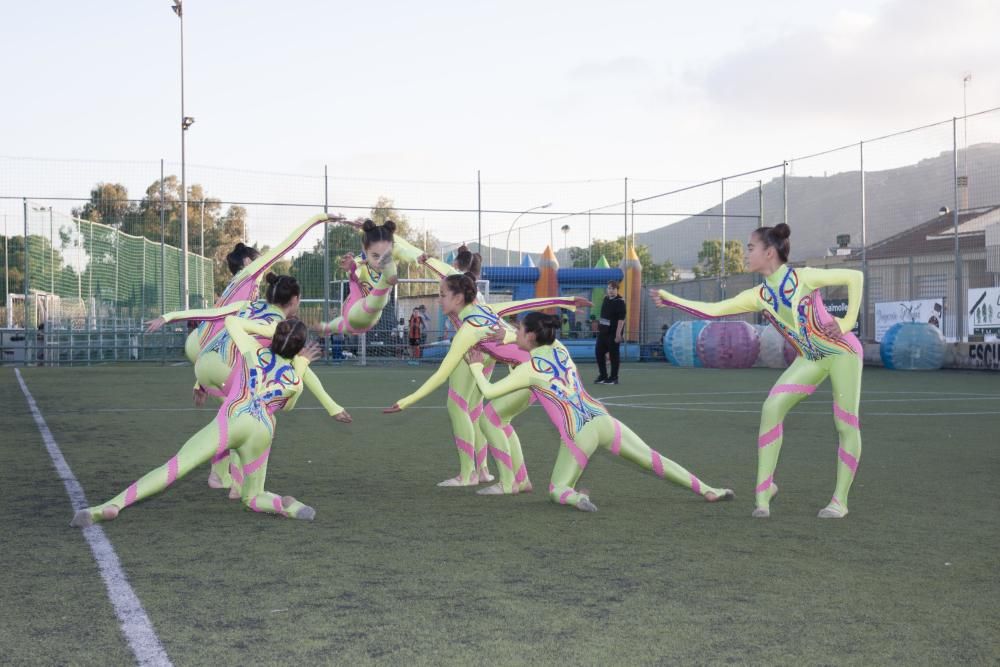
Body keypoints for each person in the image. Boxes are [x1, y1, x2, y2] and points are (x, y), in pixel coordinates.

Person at [650, 223, 863, 519]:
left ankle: (839, 500)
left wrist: (847, 321)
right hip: (811, 358)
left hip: (842, 352)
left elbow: (855, 276)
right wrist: (672, 299)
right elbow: (713, 311)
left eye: (750, 248)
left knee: (845, 424)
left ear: (769, 252)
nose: (747, 253)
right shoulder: (759, 294)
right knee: (772, 407)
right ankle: (764, 493)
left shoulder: (804, 277)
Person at [71, 316, 352, 528]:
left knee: (175, 466)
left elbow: (231, 321)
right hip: (262, 431)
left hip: (234, 418)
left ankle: (112, 505)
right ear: (300, 348)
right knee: (252, 498)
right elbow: (286, 407)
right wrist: (300, 365)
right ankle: (287, 506)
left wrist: (272, 330)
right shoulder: (295, 379)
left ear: (274, 337)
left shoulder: (252, 350)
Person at [461, 312, 733, 511]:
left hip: (579, 433)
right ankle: (708, 489)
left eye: (518, 330)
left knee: (557, 490)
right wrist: (508, 334)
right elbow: (532, 339)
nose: (514, 334)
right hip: (603, 419)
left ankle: (576, 497)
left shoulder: (528, 370)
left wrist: (475, 365)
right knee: (653, 459)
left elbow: (490, 392)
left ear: (530, 335)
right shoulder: (560, 349)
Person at [385, 273, 587, 493]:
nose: (440, 299)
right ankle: (521, 479)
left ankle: (503, 482)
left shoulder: (469, 329)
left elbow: (441, 375)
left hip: (530, 375)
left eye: (443, 295)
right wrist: (566, 301)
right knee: (501, 421)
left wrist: (406, 401)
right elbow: (528, 303)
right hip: (539, 371)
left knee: (489, 421)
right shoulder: (487, 309)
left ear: (458, 298)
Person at [146, 274, 350, 489]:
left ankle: (218, 475)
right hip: (230, 369)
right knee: (250, 416)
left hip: (204, 363)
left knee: (229, 417)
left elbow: (213, 315)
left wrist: (168, 317)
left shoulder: (248, 305)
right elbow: (301, 368)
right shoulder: (282, 328)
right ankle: (238, 486)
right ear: (296, 299)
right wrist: (332, 407)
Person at [315, 218, 425, 337]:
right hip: (354, 308)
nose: (380, 261)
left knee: (346, 325)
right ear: (365, 251)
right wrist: (350, 268)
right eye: (375, 256)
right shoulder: (361, 263)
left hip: (369, 318)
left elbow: (405, 252)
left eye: (386, 255)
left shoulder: (395, 251)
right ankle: (328, 327)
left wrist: (417, 257)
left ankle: (327, 327)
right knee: (354, 318)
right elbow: (354, 272)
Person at [594, 280, 626, 385]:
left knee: (613, 355)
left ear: (617, 290)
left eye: (613, 289)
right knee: (599, 353)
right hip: (603, 332)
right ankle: (603, 376)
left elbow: (621, 320)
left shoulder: (620, 302)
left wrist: (618, 334)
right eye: (609, 288)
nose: (610, 290)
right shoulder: (606, 299)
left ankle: (613, 377)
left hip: (613, 333)